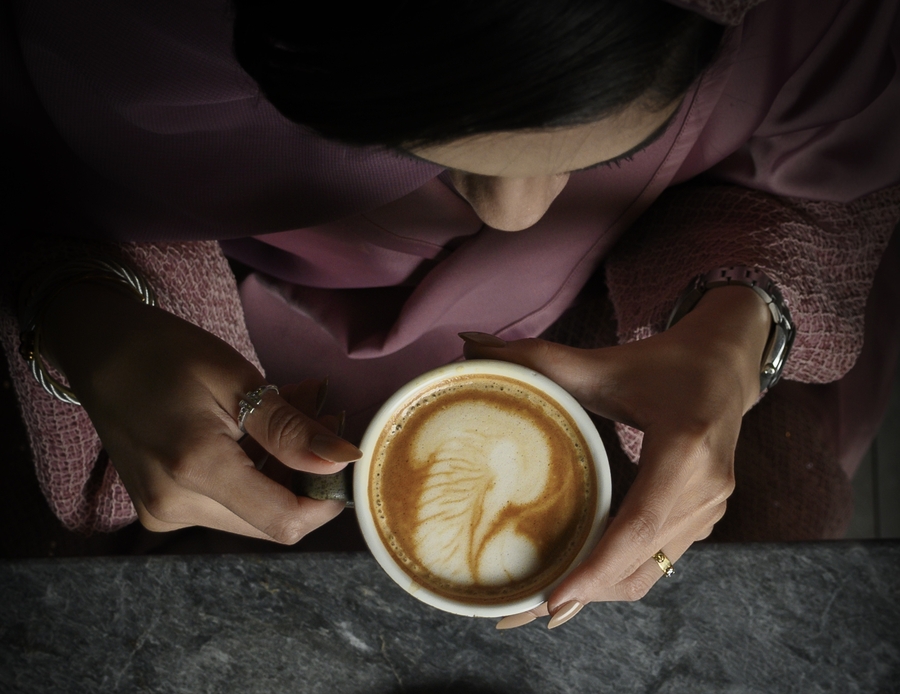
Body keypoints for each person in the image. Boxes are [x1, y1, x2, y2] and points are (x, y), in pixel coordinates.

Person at [1, 0, 898, 628]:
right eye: (432, 150)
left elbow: (828, 173)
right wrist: (86, 316)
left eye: (600, 148)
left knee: (780, 517)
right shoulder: (129, 32)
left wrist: (739, 329)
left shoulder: (814, 18)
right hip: (240, 301)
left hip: (633, 298)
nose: (518, 215)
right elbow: (37, 183)